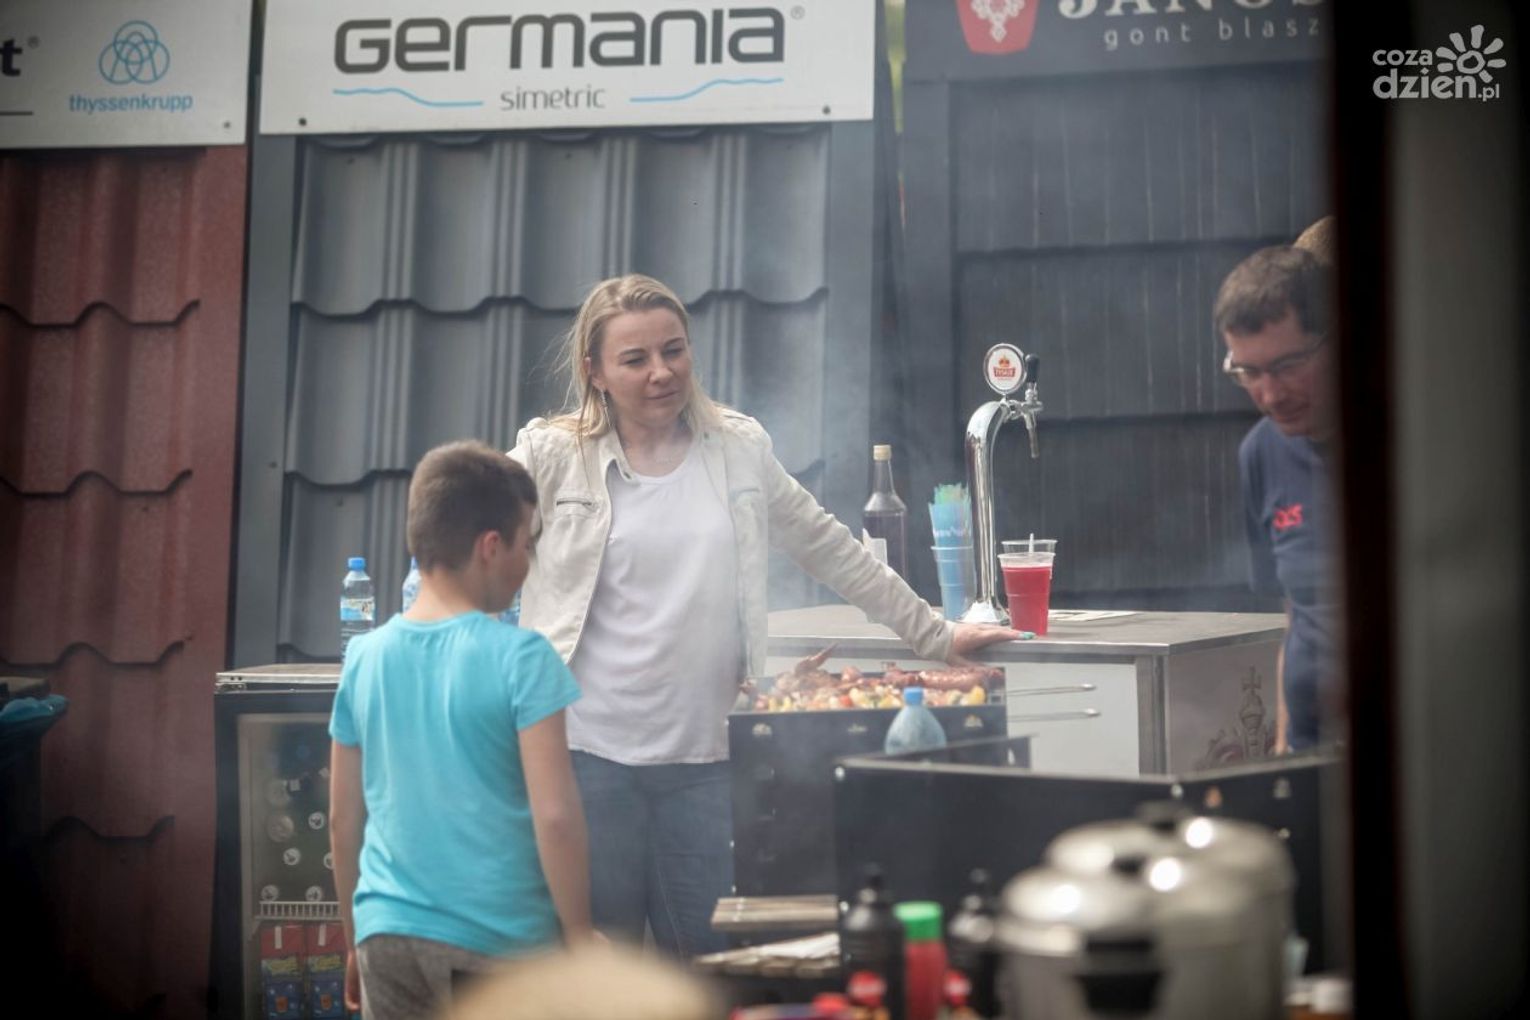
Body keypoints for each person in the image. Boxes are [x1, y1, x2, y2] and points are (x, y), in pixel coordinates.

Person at [508, 273, 1022, 955]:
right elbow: (466, 541)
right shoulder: (551, 455)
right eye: (635, 359)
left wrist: (933, 632)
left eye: (673, 350)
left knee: (715, 965)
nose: (662, 372)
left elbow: (828, 546)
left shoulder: (738, 447)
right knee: (601, 976)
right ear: (595, 371)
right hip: (584, 760)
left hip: (709, 758)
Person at [328, 440, 595, 1020]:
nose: (528, 563)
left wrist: (353, 939)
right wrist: (578, 937)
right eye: (526, 545)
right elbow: (555, 817)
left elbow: (344, 820)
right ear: (491, 548)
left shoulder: (364, 659)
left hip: (385, 934)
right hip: (497, 941)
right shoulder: (524, 658)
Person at [1214, 244, 1340, 753]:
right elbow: (1297, 617)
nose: (1269, 395)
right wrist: (1284, 748)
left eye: (1287, 365)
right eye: (1248, 372)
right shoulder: (1260, 454)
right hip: (1311, 752)